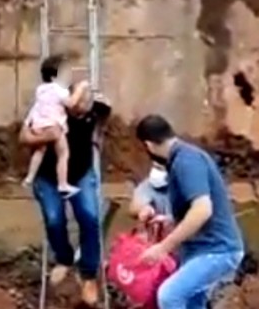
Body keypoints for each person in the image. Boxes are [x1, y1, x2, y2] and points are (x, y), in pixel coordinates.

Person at [134, 114, 244, 309]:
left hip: (217, 250)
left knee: (169, 296)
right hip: (200, 250)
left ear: (149, 145)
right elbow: (194, 209)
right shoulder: (184, 158)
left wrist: (163, 248)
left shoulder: (186, 161)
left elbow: (202, 210)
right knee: (192, 303)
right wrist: (171, 219)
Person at [20, 90, 112, 307]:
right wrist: (45, 136)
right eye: (77, 106)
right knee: (54, 219)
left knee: (90, 217)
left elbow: (105, 112)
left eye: (86, 107)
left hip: (80, 173)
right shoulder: (48, 110)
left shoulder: (96, 110)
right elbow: (23, 136)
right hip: (48, 176)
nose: (81, 110)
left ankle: (88, 274)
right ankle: (64, 258)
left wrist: (98, 133)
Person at [21, 55, 89, 198]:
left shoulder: (41, 90)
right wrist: (80, 89)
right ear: (53, 77)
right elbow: (71, 103)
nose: (68, 76)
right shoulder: (60, 90)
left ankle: (29, 177)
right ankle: (62, 184)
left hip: (39, 124)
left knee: (40, 150)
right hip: (54, 126)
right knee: (63, 154)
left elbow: (38, 107)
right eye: (65, 74)